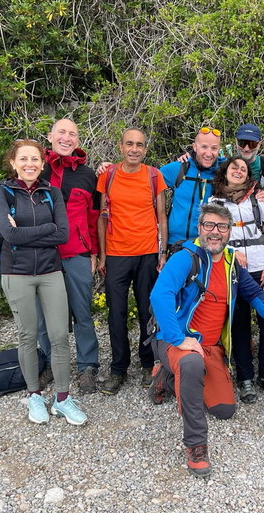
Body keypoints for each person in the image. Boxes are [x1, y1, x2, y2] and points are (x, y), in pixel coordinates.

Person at [149, 202, 264, 478]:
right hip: (177, 341)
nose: (215, 232)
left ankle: (166, 377)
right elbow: (159, 295)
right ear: (200, 229)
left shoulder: (231, 263)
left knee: (224, 409)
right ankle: (196, 445)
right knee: (190, 365)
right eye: (209, 225)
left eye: (222, 227)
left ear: (228, 232)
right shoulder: (187, 258)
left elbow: (255, 294)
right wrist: (178, 338)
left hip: (211, 347)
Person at [0, 139, 86, 426]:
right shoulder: (0, 191)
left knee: (59, 336)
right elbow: (9, 235)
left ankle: (63, 399)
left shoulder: (51, 193)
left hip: (49, 271)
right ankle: (34, 395)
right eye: (24, 159)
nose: (29, 164)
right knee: (28, 336)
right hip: (15, 273)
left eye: (35, 159)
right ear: (13, 163)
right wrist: (47, 229)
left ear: (42, 164)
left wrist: (29, 232)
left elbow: (63, 235)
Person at [96, 127, 168, 395]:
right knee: (116, 312)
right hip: (116, 253)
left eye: (139, 144)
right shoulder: (108, 175)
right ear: (121, 146)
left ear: (145, 149)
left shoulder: (153, 175)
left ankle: (148, 362)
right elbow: (102, 217)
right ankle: (118, 368)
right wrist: (102, 254)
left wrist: (162, 253)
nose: (134, 149)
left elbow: (161, 216)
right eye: (129, 143)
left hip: (147, 252)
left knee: (147, 311)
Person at [209, 157, 264, 403]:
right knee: (238, 325)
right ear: (225, 172)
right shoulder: (214, 202)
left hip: (262, 269)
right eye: (234, 168)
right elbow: (213, 237)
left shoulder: (258, 198)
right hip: (233, 271)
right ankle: (245, 378)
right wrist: (230, 251)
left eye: (243, 169)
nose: (238, 171)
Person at [37, 118, 101, 394]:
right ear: (50, 136)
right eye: (61, 132)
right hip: (42, 254)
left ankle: (88, 365)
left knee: (82, 312)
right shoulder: (35, 168)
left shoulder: (88, 175)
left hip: (77, 252)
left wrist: (95, 252)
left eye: (72, 134)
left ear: (78, 140)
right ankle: (51, 363)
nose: (66, 138)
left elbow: (93, 216)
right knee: (44, 315)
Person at [161, 127, 226, 245]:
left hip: (208, 244)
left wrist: (260, 193)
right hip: (176, 243)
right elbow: (148, 183)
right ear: (195, 147)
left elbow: (246, 178)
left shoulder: (224, 170)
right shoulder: (179, 168)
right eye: (204, 147)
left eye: (214, 148)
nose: (209, 153)